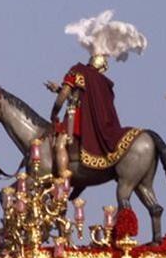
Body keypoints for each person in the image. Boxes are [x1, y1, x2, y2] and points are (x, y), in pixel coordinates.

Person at [45, 11, 147, 179]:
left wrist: (54, 112)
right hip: (98, 124)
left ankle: (63, 177)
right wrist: (58, 88)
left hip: (77, 120)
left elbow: (65, 95)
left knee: (60, 143)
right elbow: (84, 97)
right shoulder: (103, 83)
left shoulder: (78, 71)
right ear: (103, 66)